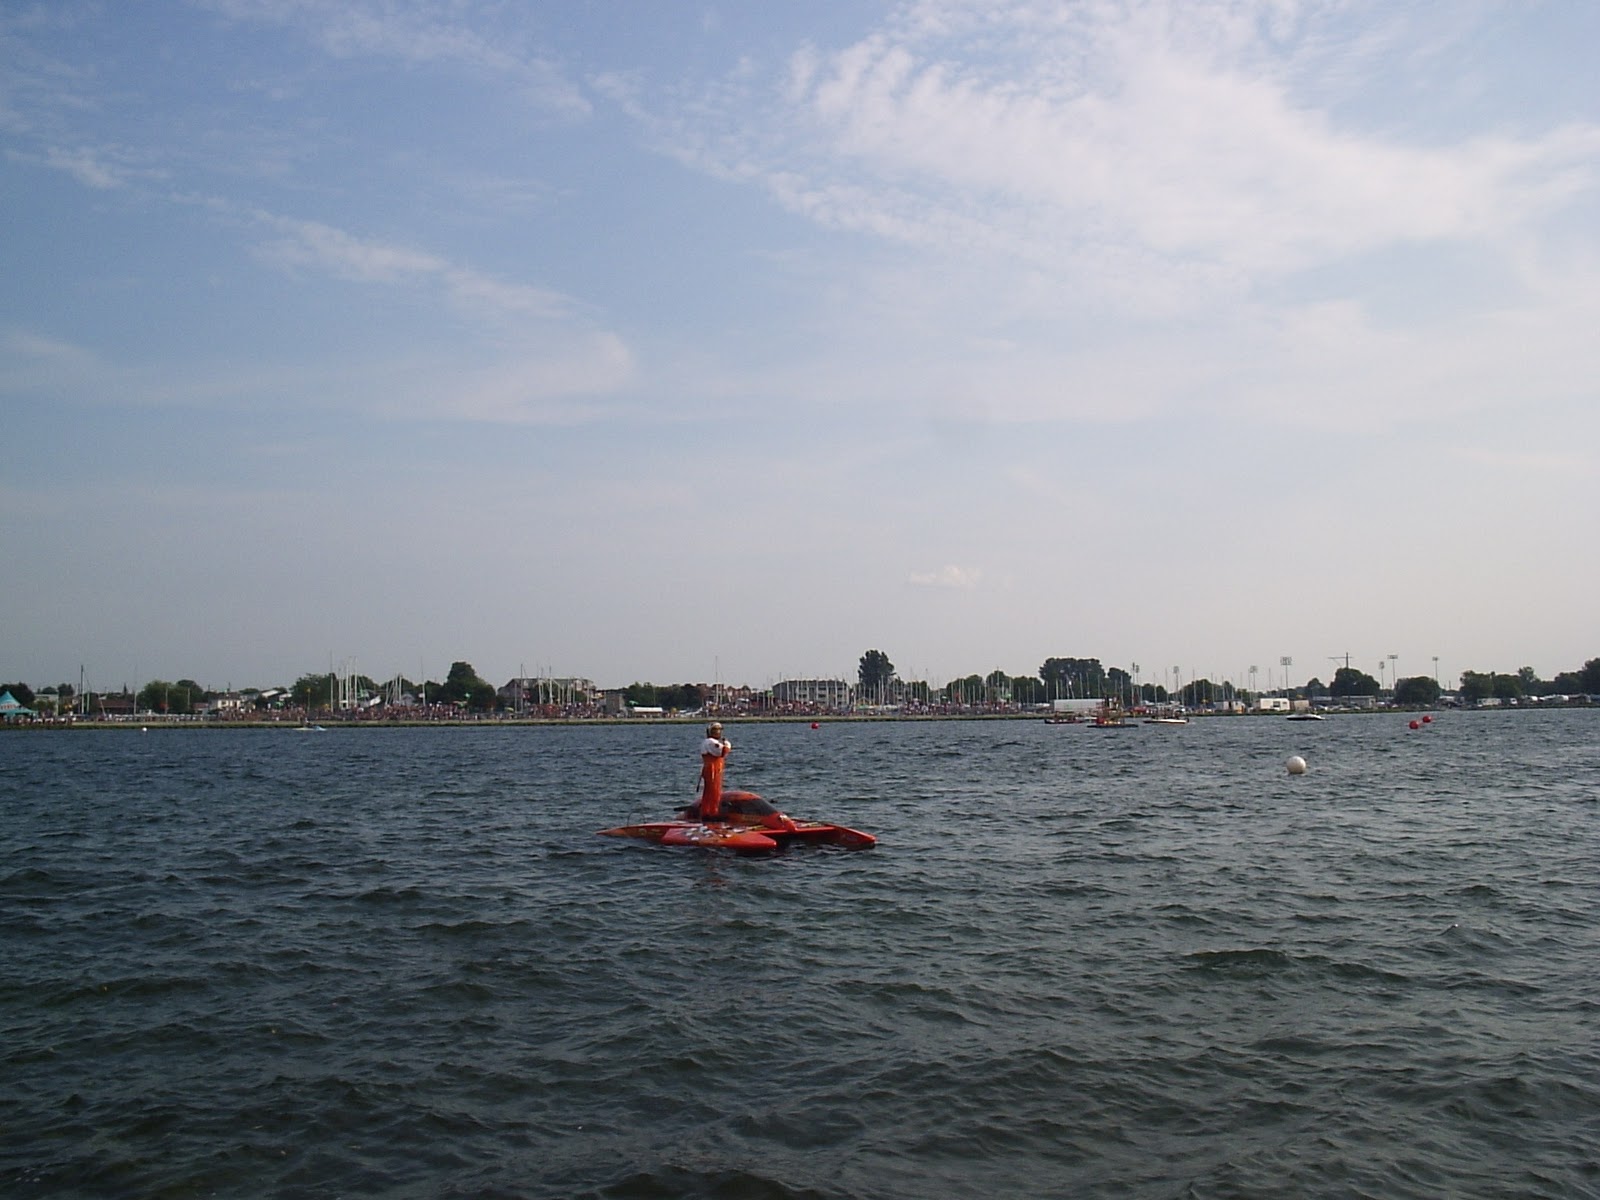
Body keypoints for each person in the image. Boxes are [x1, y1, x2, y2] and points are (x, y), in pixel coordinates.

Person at [696, 721, 731, 820]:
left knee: (710, 791)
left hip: (713, 769)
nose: (718, 732)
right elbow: (722, 752)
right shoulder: (711, 742)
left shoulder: (708, 742)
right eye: (715, 730)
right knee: (714, 792)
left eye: (719, 730)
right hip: (712, 770)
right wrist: (727, 745)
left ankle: (707, 812)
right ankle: (712, 813)